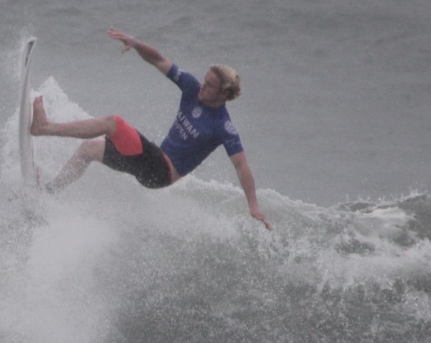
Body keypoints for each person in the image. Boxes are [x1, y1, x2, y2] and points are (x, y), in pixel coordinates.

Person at [30, 28, 271, 230]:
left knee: (112, 123)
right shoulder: (191, 89)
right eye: (204, 81)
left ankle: (45, 127)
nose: (202, 87)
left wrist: (253, 205)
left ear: (224, 94)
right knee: (89, 150)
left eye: (209, 86)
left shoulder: (223, 127)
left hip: (161, 172)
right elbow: (158, 59)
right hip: (151, 162)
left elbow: (242, 166)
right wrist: (135, 43)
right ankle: (48, 193)